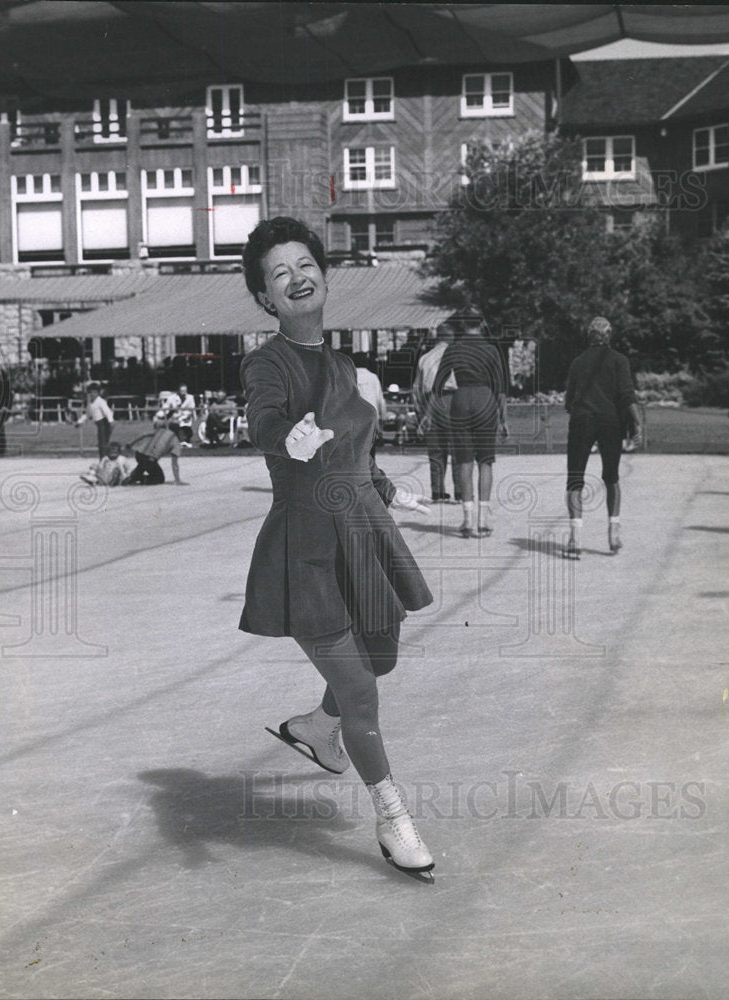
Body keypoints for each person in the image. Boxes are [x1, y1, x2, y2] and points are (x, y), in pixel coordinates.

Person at [238, 216, 436, 882]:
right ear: (265, 298)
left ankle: (318, 731)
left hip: (365, 531)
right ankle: (392, 818)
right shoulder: (266, 362)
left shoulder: (346, 364)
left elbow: (353, 449)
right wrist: (283, 438)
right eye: (278, 274)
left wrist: (387, 487)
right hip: (306, 548)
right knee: (359, 691)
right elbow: (263, 418)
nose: (296, 278)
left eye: (304, 265)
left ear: (323, 275)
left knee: (379, 658)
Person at [563, 316, 643, 559]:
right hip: (610, 422)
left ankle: (576, 538)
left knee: (575, 478)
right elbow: (627, 396)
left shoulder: (577, 362)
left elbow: (569, 402)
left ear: (590, 336)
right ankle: (613, 533)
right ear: (609, 335)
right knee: (611, 477)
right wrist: (637, 424)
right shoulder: (620, 360)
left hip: (582, 420)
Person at [433, 312, 508, 537]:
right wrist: (503, 419)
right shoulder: (492, 350)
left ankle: (467, 519)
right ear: (483, 323)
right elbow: (501, 388)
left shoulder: (453, 349)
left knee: (464, 461)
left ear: (463, 324)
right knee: (486, 461)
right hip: (486, 400)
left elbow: (438, 385)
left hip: (461, 400)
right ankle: (482, 521)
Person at [413, 323, 456, 502]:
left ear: (437, 337)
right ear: (451, 338)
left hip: (430, 402)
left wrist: (421, 414)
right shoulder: (456, 356)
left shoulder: (425, 358)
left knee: (436, 450)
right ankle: (461, 491)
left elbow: (416, 388)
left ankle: (437, 491)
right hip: (452, 400)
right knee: (456, 448)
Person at [123, 421, 187, 485]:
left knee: (144, 464)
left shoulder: (160, 430)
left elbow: (143, 435)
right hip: (150, 460)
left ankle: (132, 476)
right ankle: (137, 478)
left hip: (139, 454)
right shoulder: (176, 443)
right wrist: (177, 479)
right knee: (159, 479)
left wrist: (130, 443)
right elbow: (174, 464)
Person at [74, 382, 114, 458]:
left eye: (95, 392)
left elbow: (107, 412)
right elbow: (87, 414)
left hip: (104, 423)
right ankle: (103, 460)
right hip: (99, 425)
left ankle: (104, 461)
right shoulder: (90, 403)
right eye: (91, 392)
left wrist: (111, 421)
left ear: (98, 393)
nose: (93, 394)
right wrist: (79, 422)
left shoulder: (101, 401)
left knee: (103, 444)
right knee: (101, 444)